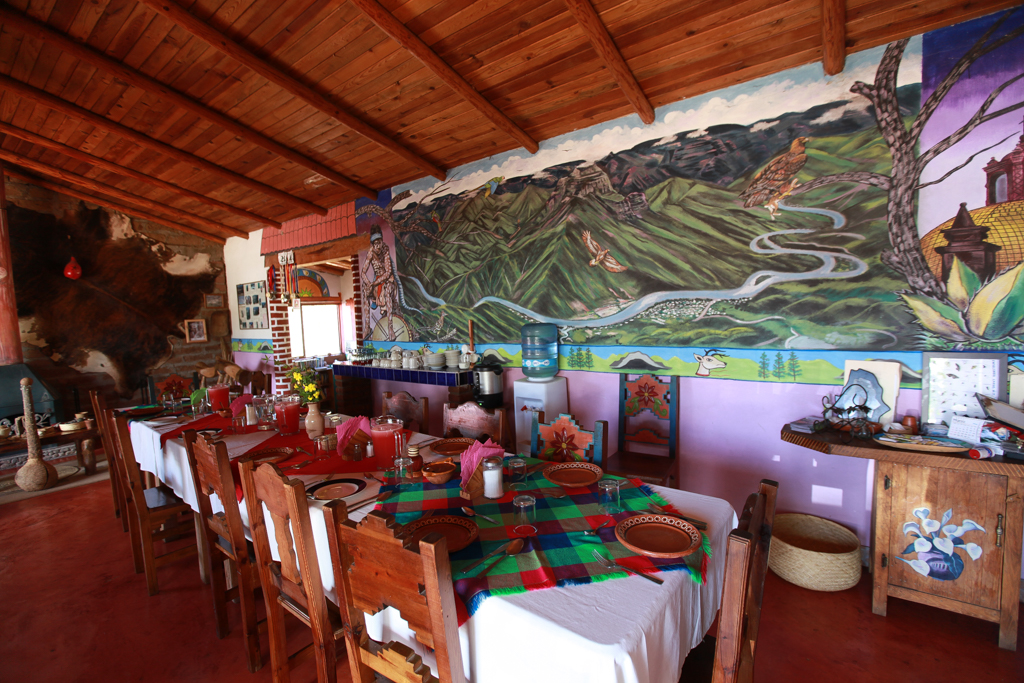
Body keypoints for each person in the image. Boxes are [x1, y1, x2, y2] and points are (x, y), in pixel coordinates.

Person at [362, 225, 401, 340]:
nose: (378, 246)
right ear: (372, 244)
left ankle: (390, 328)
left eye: (379, 242)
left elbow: (388, 272)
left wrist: (374, 283)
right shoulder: (370, 253)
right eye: (375, 244)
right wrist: (369, 283)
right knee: (365, 290)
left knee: (388, 288)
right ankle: (367, 327)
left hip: (387, 280)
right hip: (376, 282)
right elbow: (363, 272)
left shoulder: (385, 250)